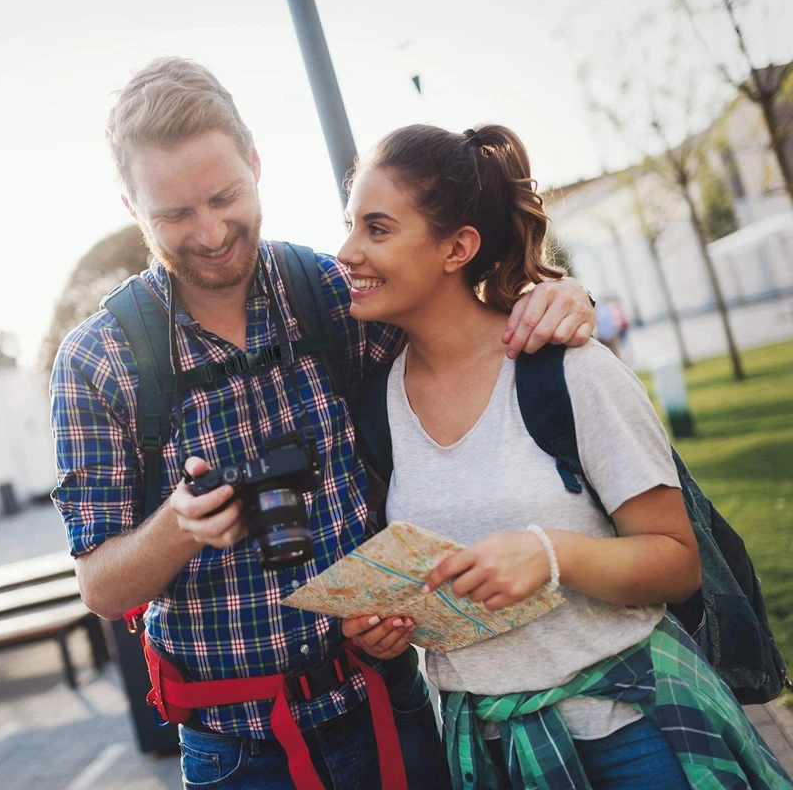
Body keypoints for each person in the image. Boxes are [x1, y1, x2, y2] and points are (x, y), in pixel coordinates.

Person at [50, 58, 598, 790]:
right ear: (130, 203)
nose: (211, 233)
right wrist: (181, 525)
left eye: (225, 197)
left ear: (255, 161)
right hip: (237, 754)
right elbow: (101, 588)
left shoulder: (334, 296)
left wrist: (555, 295)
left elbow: (464, 322)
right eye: (174, 215)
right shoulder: (98, 358)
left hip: (387, 706)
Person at [338, 123, 792, 789]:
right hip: (496, 755)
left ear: (457, 247)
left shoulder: (570, 371)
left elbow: (677, 562)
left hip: (635, 736)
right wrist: (393, 628)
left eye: (377, 229)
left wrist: (552, 556)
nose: (347, 251)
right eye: (350, 225)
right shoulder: (375, 404)